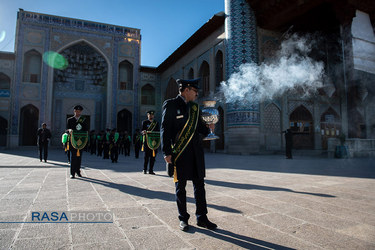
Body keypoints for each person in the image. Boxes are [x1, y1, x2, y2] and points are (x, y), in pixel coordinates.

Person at [161, 78, 217, 231]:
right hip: (180, 152)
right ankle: (183, 219)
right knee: (181, 186)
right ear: (186, 90)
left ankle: (202, 218)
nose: (197, 94)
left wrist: (209, 128)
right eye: (195, 91)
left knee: (200, 186)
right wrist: (166, 151)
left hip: (196, 152)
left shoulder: (195, 108)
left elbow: (200, 128)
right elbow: (165, 129)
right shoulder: (171, 104)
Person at [66, 105, 89, 179]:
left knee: (79, 157)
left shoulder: (83, 120)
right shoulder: (70, 120)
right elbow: (67, 129)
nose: (78, 113)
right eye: (77, 111)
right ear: (74, 111)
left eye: (79, 111)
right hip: (73, 141)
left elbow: (86, 130)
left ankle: (78, 172)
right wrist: (69, 130)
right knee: (73, 157)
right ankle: (72, 173)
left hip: (81, 141)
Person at [141, 110, 159, 174]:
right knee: (146, 157)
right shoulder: (144, 122)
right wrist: (144, 132)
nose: (151, 116)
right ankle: (144, 169)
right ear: (147, 115)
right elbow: (142, 131)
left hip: (154, 142)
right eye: (150, 115)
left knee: (153, 157)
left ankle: (151, 170)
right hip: (147, 142)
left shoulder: (156, 123)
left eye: (152, 115)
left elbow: (158, 132)